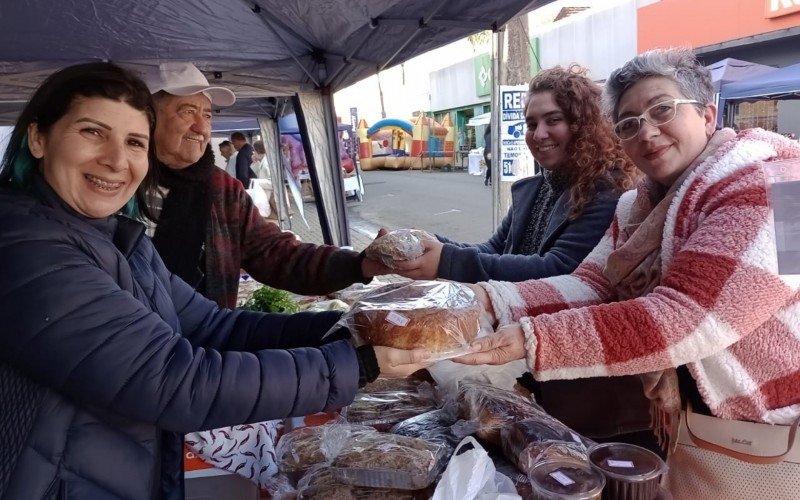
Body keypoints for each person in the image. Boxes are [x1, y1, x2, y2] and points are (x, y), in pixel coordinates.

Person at [0, 62, 429, 499]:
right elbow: (172, 378)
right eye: (92, 132)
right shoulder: (25, 246)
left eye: (133, 142)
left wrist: (360, 325)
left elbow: (214, 326)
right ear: (38, 138)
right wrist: (360, 364)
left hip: (122, 459)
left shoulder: (117, 233)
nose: (115, 160)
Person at [454, 48, 800, 491]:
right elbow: (591, 284)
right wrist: (484, 300)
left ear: (708, 115)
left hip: (770, 424)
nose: (647, 131)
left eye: (662, 110)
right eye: (629, 123)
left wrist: (530, 337)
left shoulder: (774, 184)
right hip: (697, 425)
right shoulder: (637, 204)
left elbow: (687, 318)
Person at [143, 62, 388, 309]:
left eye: (207, 115)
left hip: (203, 338)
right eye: (187, 112)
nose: (202, 127)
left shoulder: (222, 188)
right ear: (149, 117)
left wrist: (358, 264)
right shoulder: (122, 184)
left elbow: (276, 253)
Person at [393, 66, 638, 285]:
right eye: (531, 124)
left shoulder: (608, 190)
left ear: (584, 125)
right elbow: (494, 250)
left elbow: (558, 268)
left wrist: (447, 260)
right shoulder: (535, 189)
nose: (539, 134)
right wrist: (426, 241)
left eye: (553, 120)